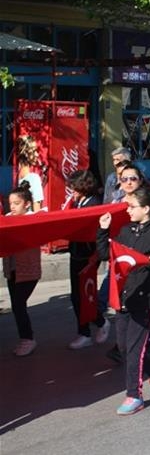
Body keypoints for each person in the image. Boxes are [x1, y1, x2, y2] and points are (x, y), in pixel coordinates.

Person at [97, 187, 150, 415]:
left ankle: (134, 395)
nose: (127, 210)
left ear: (146, 209)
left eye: (131, 207)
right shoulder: (125, 230)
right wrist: (102, 231)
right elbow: (106, 255)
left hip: (145, 300)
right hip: (124, 297)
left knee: (134, 350)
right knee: (123, 346)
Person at [66, 170, 110, 349]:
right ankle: (90, 327)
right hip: (76, 252)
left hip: (87, 255)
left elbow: (96, 231)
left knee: (83, 296)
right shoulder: (77, 202)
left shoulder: (93, 204)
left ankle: (93, 326)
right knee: (76, 296)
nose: (72, 190)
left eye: (74, 187)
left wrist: (95, 256)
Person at [3, 182, 41, 356]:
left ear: (26, 203)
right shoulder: (7, 218)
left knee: (18, 304)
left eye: (16, 203)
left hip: (29, 270)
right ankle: (25, 338)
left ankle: (28, 338)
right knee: (17, 304)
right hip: (12, 269)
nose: (12, 207)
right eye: (10, 203)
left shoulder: (35, 219)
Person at [16, 135, 45, 211]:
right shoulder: (34, 178)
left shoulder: (17, 175)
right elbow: (37, 209)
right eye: (34, 151)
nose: (37, 154)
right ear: (26, 153)